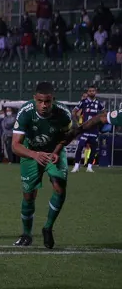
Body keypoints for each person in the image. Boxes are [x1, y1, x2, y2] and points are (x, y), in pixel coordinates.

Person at [11, 82, 72, 249]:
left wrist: (57, 151)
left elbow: (66, 137)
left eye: (47, 101)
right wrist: (34, 155)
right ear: (34, 99)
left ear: (53, 100)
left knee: (59, 186)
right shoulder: (25, 112)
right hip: (31, 154)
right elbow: (15, 145)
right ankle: (26, 234)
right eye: (40, 101)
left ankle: (48, 227)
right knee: (29, 195)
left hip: (54, 152)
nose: (44, 105)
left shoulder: (64, 114)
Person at [71, 85, 104, 173]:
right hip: (85, 130)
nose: (91, 92)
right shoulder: (83, 102)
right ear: (87, 92)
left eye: (93, 91)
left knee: (93, 149)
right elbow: (74, 112)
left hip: (94, 130)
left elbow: (105, 113)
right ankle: (76, 166)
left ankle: (89, 167)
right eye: (90, 91)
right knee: (80, 147)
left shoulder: (99, 103)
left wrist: (100, 122)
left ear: (95, 92)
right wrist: (78, 123)